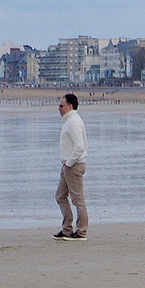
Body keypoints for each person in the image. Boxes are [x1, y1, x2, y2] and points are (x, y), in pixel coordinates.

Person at [53, 93, 88, 240]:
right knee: (60, 196)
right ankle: (67, 229)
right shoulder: (69, 121)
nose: (59, 109)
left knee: (77, 199)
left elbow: (79, 147)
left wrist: (69, 163)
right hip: (67, 165)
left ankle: (81, 231)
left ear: (70, 106)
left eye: (61, 106)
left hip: (73, 165)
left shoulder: (73, 121)